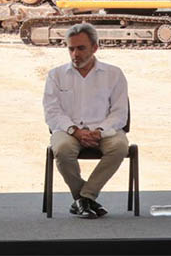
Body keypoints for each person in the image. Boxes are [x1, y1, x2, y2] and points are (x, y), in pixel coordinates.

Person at [44, 22, 129, 219]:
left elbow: (119, 113)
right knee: (63, 150)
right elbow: (52, 111)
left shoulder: (114, 74)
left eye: (81, 48)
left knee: (119, 147)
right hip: (67, 131)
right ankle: (85, 200)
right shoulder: (55, 75)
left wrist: (99, 131)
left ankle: (84, 198)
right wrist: (75, 131)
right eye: (71, 49)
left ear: (95, 47)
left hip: (105, 130)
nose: (75, 54)